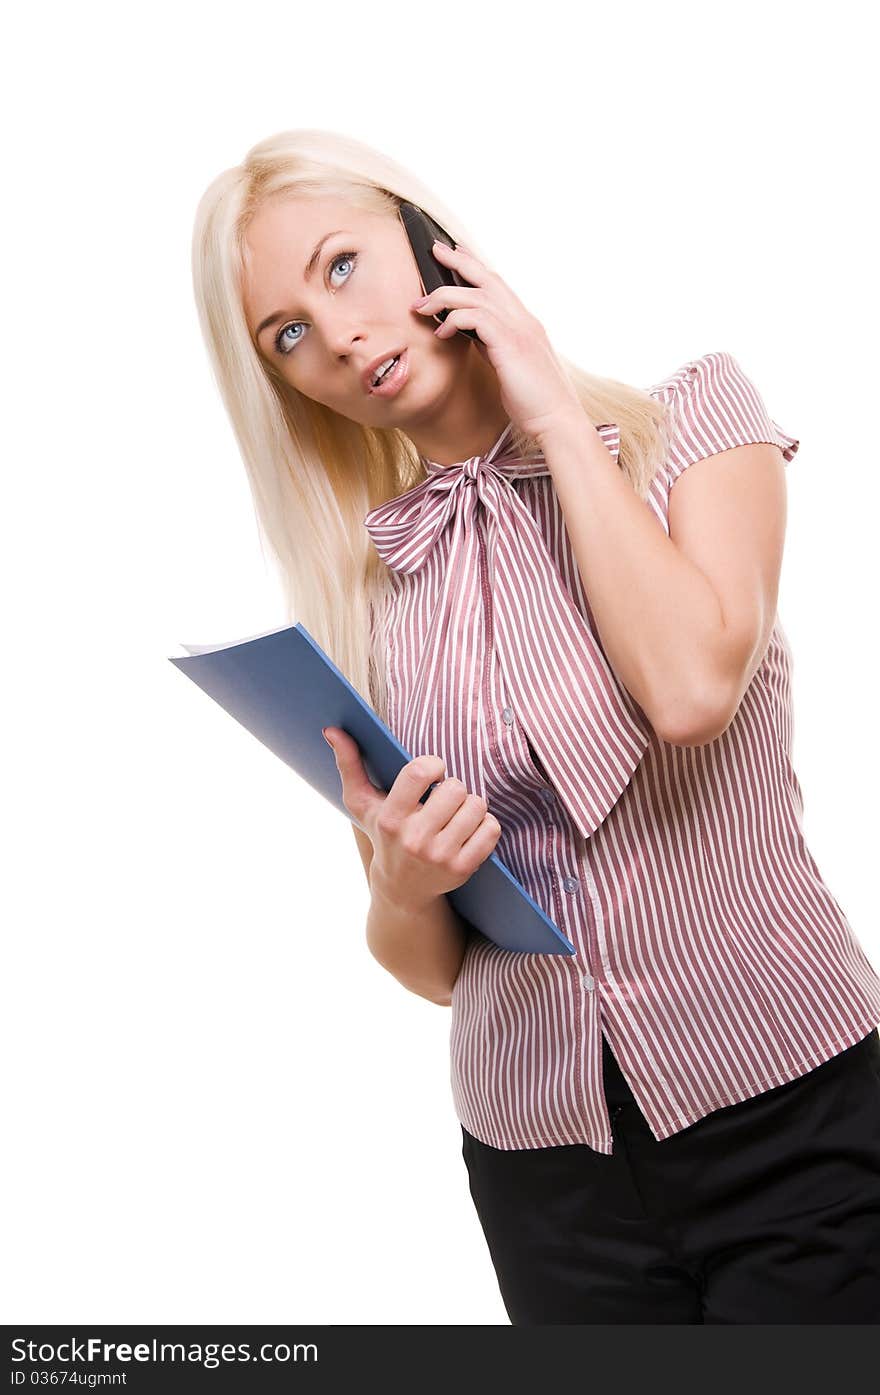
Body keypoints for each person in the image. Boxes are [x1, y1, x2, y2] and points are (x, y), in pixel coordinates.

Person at [191, 127, 880, 1324]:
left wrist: (552, 410)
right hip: (542, 1173)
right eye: (286, 334)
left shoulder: (695, 426)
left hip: (792, 1108)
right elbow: (436, 972)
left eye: (343, 265)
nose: (338, 335)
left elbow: (687, 690)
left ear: (426, 242)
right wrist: (405, 888)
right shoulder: (371, 591)